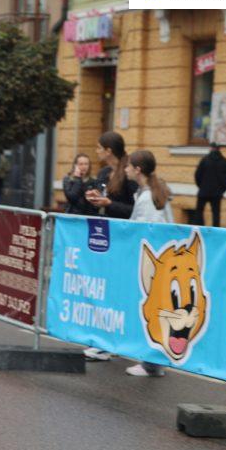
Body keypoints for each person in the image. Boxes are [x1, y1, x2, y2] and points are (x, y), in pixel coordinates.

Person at [83, 131, 138, 361]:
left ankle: (112, 343)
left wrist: (109, 203)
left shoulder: (129, 174)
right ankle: (105, 341)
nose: (96, 151)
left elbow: (134, 210)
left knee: (119, 292)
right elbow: (100, 202)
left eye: (99, 147)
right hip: (105, 238)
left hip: (125, 239)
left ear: (109, 150)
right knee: (106, 290)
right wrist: (94, 199)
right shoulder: (104, 173)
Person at [124, 149, 173, 377]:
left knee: (152, 310)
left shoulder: (148, 197)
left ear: (138, 169)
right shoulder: (150, 192)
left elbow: (146, 232)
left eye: (128, 166)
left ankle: (151, 363)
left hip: (154, 261)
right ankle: (153, 362)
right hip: (158, 260)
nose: (125, 169)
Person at [194, 142, 226, 227]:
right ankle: (215, 230)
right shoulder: (224, 161)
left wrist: (201, 186)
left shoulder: (205, 160)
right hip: (217, 192)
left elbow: (197, 175)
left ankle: (200, 228)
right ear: (219, 149)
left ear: (211, 148)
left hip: (204, 191)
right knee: (216, 213)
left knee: (199, 211)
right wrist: (223, 189)